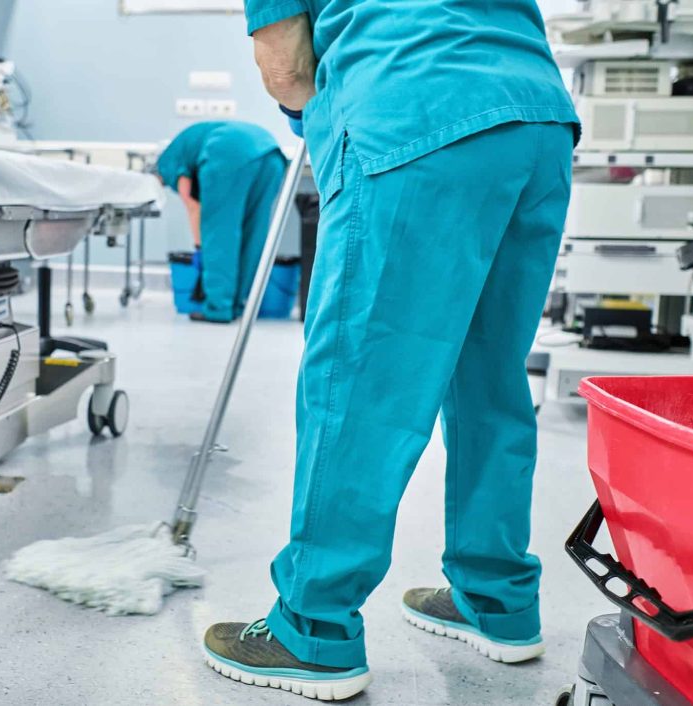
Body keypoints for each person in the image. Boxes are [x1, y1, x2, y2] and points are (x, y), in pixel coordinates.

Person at [202, 0, 580, 699]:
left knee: (361, 384)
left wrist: (318, 118)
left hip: (414, 114)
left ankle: (311, 630)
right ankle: (496, 599)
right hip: (538, 118)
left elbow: (285, 65)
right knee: (489, 375)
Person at [156, 121, 286, 323]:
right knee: (254, 233)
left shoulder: (166, 164)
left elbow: (192, 205)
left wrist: (200, 248)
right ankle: (238, 304)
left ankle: (218, 308)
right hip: (271, 155)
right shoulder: (191, 140)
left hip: (228, 154)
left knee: (219, 234)